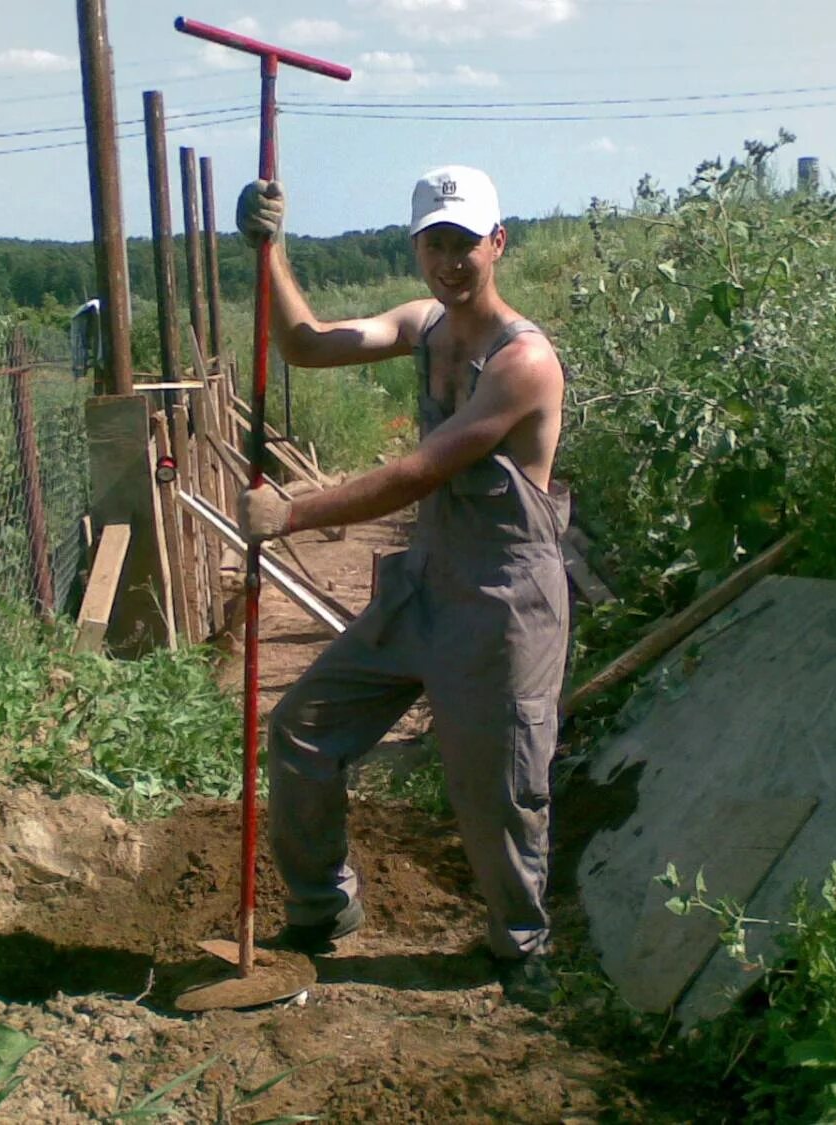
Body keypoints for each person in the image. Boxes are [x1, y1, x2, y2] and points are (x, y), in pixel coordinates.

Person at [234, 165, 569, 1010]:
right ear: (417, 247)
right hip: (424, 585)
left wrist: (292, 513)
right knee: (303, 731)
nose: (451, 261)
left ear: (499, 242)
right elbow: (307, 345)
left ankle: (520, 946)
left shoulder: (523, 362)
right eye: (435, 243)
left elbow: (417, 472)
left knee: (495, 790)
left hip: (503, 604)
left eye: (467, 242)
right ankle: (324, 905)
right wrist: (267, 252)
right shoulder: (425, 328)